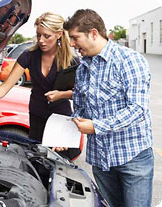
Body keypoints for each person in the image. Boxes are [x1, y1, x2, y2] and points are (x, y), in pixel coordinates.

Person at [63, 9, 154, 207]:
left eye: (75, 37)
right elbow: (79, 107)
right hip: (100, 160)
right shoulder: (82, 69)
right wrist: (65, 134)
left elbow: (138, 109)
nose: (71, 44)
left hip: (132, 158)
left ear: (93, 33)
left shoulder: (130, 61)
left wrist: (96, 126)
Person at [0, 12, 80, 158]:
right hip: (37, 118)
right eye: (38, 34)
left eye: (46, 36)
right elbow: (4, 87)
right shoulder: (29, 55)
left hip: (61, 121)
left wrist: (63, 95)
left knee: (60, 166)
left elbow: (81, 94)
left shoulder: (72, 60)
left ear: (59, 34)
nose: (41, 40)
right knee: (37, 161)